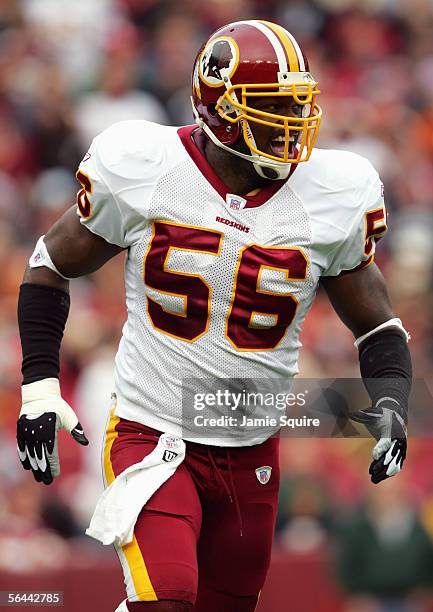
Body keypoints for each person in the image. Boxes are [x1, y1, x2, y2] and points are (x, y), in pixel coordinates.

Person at [16, 20, 412, 612]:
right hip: (154, 430)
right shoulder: (147, 165)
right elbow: (51, 263)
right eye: (272, 106)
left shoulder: (336, 193)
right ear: (220, 110)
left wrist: (391, 401)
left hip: (252, 442)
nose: (292, 123)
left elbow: (377, 322)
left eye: (296, 103)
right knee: (167, 598)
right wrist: (40, 387)